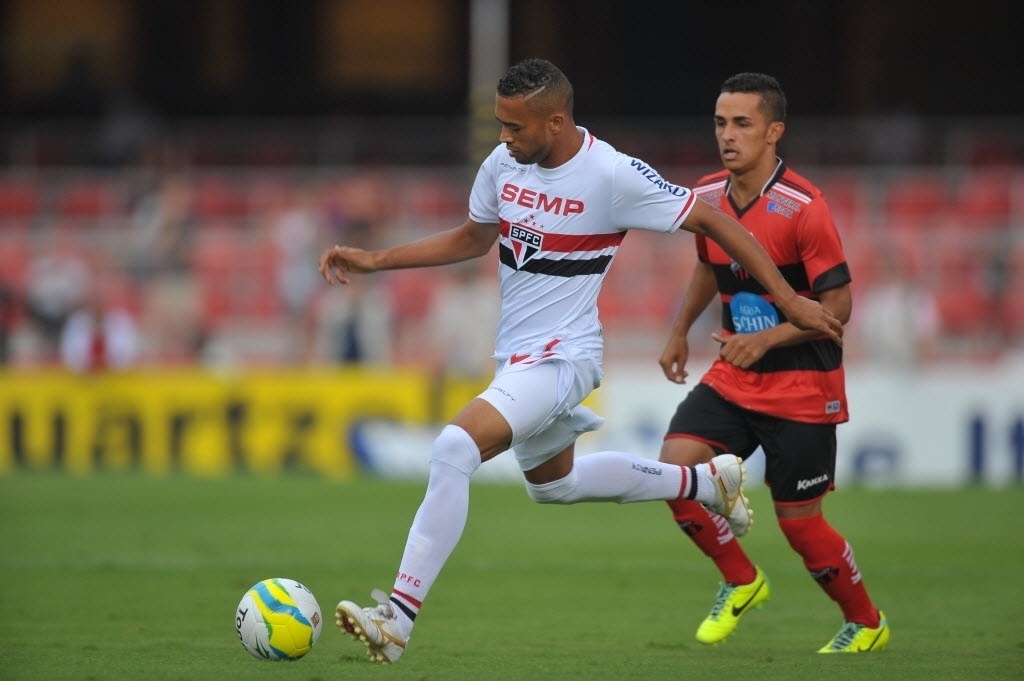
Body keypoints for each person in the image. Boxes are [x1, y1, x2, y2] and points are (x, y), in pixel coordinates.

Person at [318, 59, 843, 664]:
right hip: (518, 358)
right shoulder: (504, 164)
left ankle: (398, 621)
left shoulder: (612, 175)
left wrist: (788, 300)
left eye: (514, 128)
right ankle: (706, 481)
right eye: (500, 125)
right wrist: (377, 261)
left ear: (556, 121)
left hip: (564, 358)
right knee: (555, 487)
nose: (502, 139)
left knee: (453, 449)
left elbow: (713, 220)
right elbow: (473, 236)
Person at [656, 73, 889, 653]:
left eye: (742, 124)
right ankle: (741, 580)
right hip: (736, 377)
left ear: (774, 132)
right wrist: (679, 331)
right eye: (720, 123)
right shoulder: (707, 198)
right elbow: (709, 267)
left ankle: (866, 622)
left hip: (804, 385)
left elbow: (838, 306)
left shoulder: (804, 207)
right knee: (674, 471)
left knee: (799, 525)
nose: (727, 136)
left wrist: (765, 339)